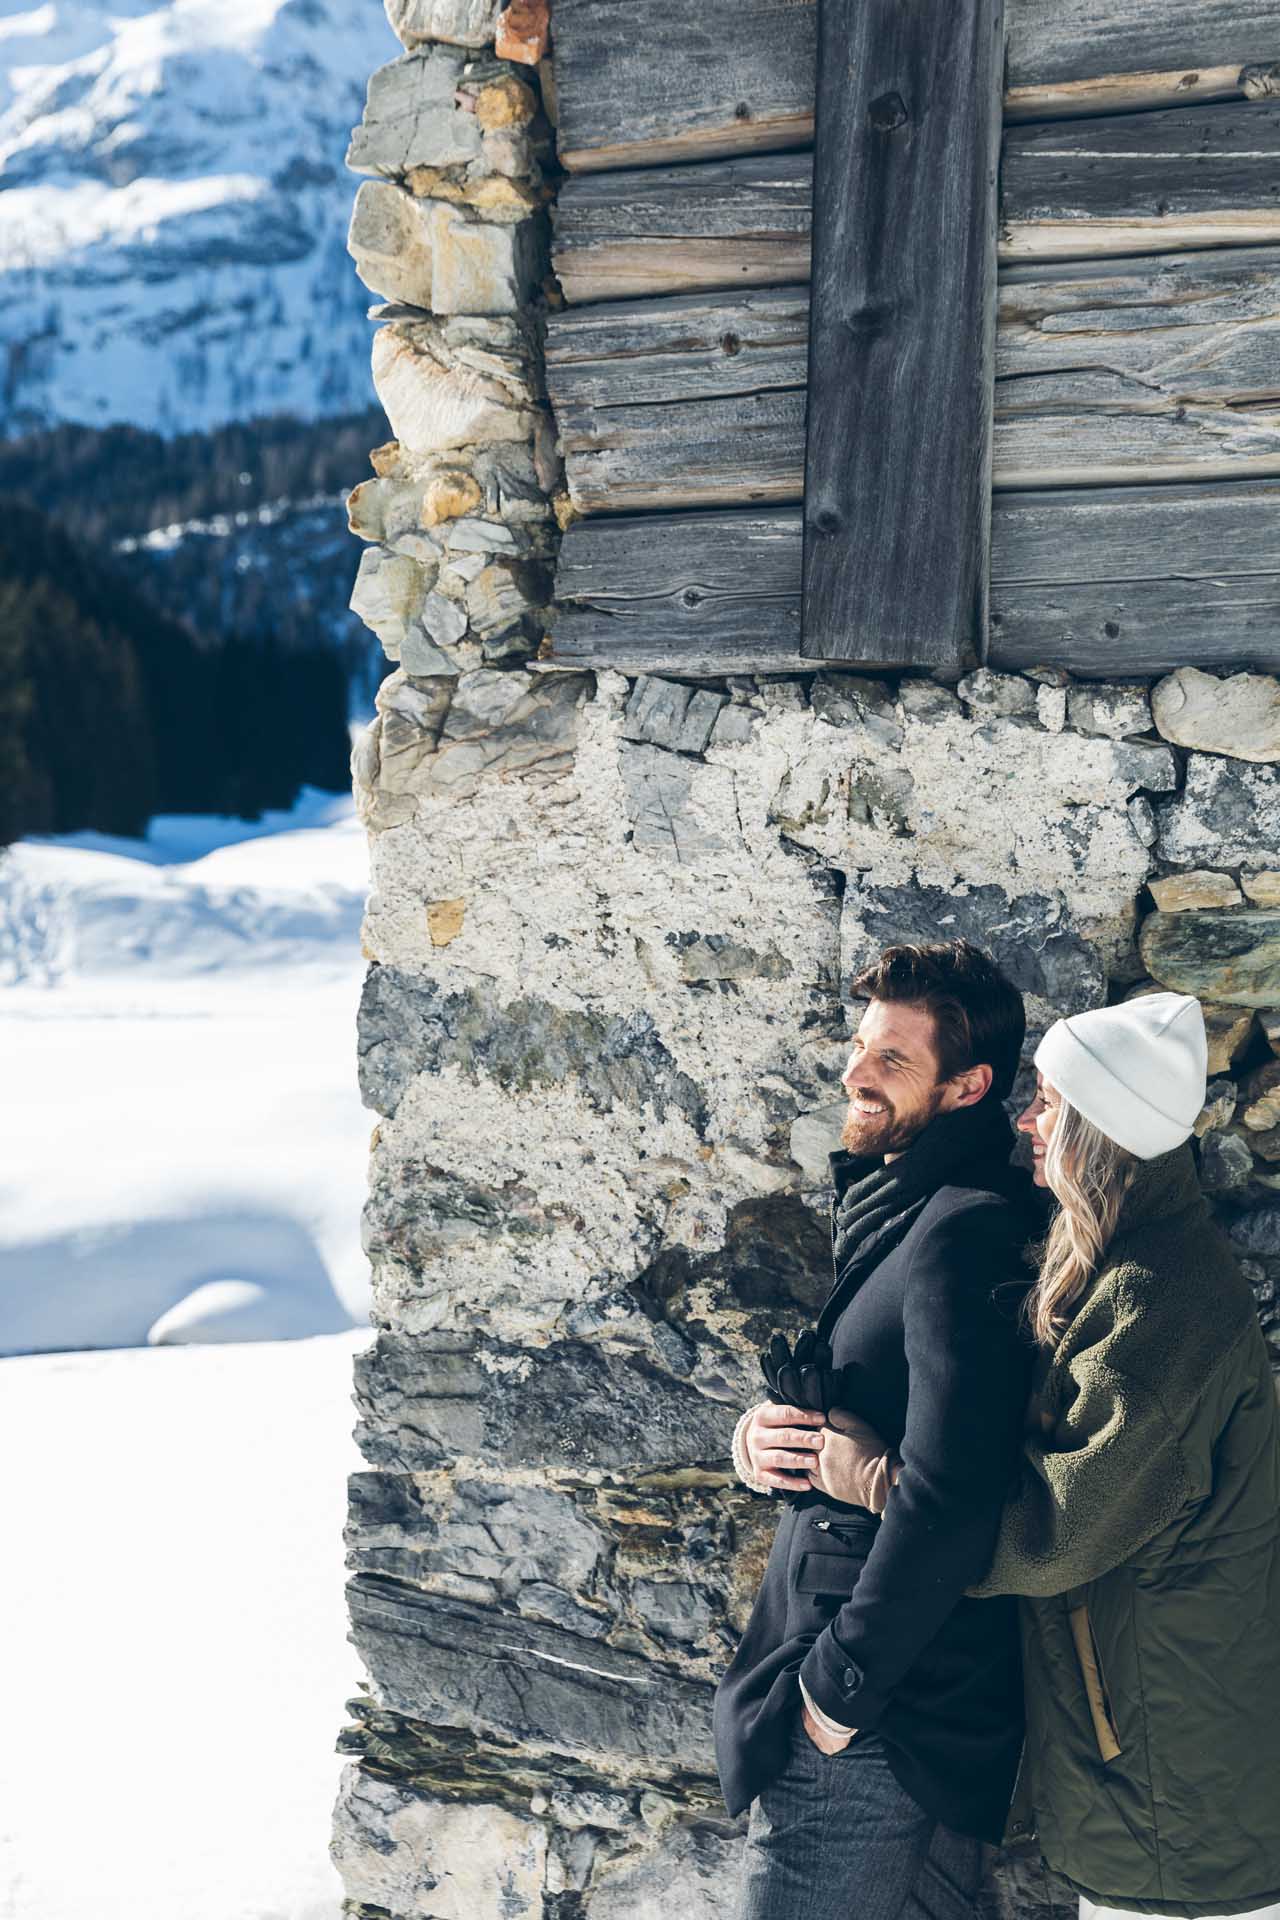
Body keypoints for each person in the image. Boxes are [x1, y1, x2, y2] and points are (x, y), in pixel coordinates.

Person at [819, 992, 1280, 1920]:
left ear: (1102, 1130)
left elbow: (1050, 1536)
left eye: (1050, 1104)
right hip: (1149, 1759)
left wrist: (872, 1478)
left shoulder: (1161, 1303)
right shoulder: (1126, 1266)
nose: (1026, 1120)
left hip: (1177, 1785)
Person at [715, 940, 1042, 1920]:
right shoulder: (898, 1210)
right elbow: (885, 1418)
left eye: (891, 1059)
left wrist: (831, 1698)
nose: (855, 1072)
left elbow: (952, 1489)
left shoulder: (961, 1228)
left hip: (877, 1723)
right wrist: (763, 1443)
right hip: (882, 1713)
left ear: (964, 1086)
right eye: (859, 1046)